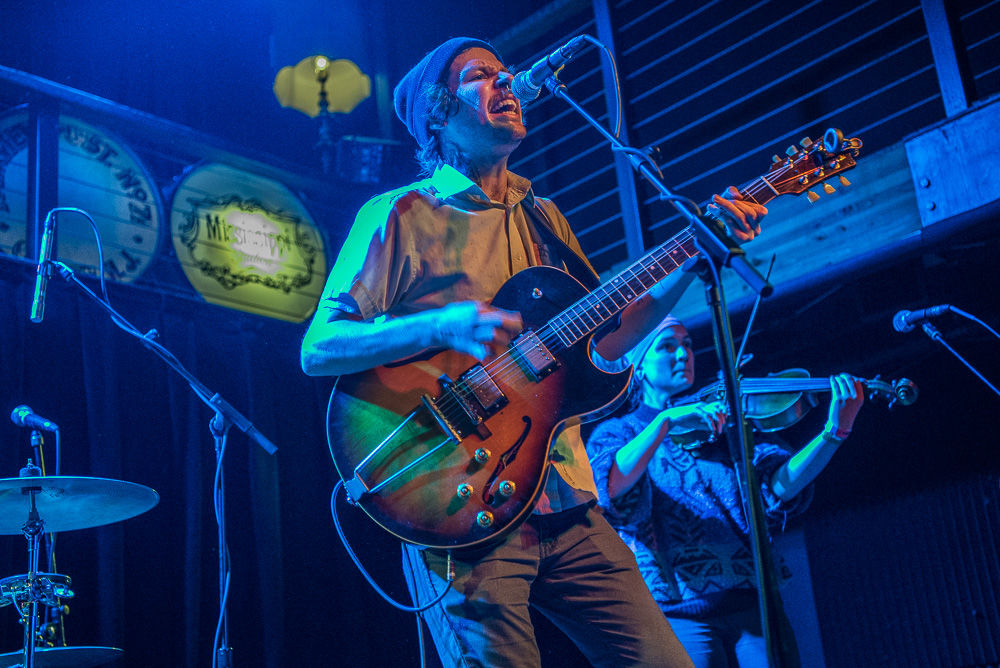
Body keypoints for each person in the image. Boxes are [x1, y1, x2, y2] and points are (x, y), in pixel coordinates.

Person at [301, 36, 766, 668]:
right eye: (480, 77)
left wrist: (695, 253)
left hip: (568, 502)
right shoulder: (399, 215)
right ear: (439, 114)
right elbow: (320, 347)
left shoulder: (545, 216)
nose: (506, 83)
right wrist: (436, 329)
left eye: (505, 73)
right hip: (457, 504)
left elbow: (608, 334)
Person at [585, 315, 866, 668]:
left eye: (687, 344)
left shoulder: (723, 420)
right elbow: (609, 484)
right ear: (638, 366)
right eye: (667, 346)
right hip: (676, 610)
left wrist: (833, 433)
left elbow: (777, 487)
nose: (683, 354)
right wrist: (665, 421)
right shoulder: (620, 433)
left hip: (752, 601)